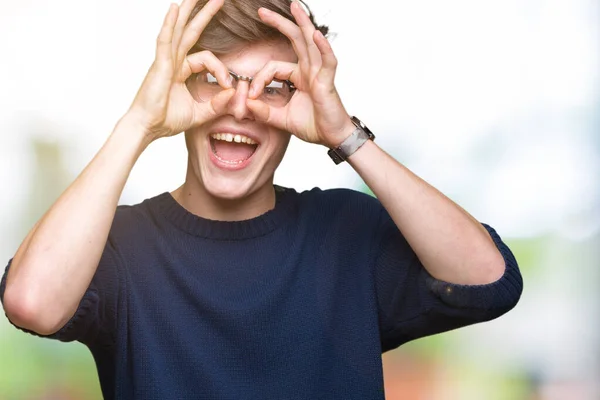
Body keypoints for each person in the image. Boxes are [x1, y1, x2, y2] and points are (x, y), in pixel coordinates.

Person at [0, 0, 523, 398]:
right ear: (177, 86)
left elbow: (489, 281)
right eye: (215, 79)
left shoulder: (346, 233)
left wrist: (346, 135)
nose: (242, 108)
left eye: (273, 87)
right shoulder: (119, 246)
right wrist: (139, 122)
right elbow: (31, 304)